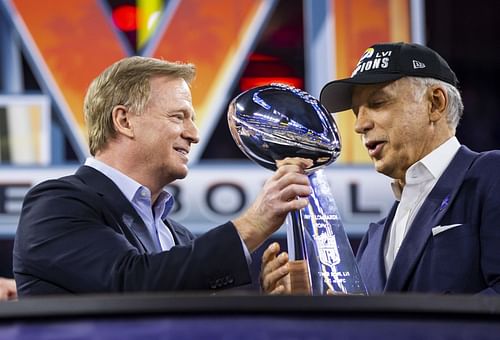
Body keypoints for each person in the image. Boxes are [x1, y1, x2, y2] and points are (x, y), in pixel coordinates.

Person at [13, 56, 313, 296]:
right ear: (124, 121)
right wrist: (252, 225)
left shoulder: (177, 237)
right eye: (178, 116)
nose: (193, 134)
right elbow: (131, 284)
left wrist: (265, 302)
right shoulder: (54, 205)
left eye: (192, 119)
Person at [261, 42, 500, 295]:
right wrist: (307, 309)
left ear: (435, 103)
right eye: (356, 112)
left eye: (378, 103)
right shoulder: (373, 241)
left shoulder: (490, 175)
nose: (360, 125)